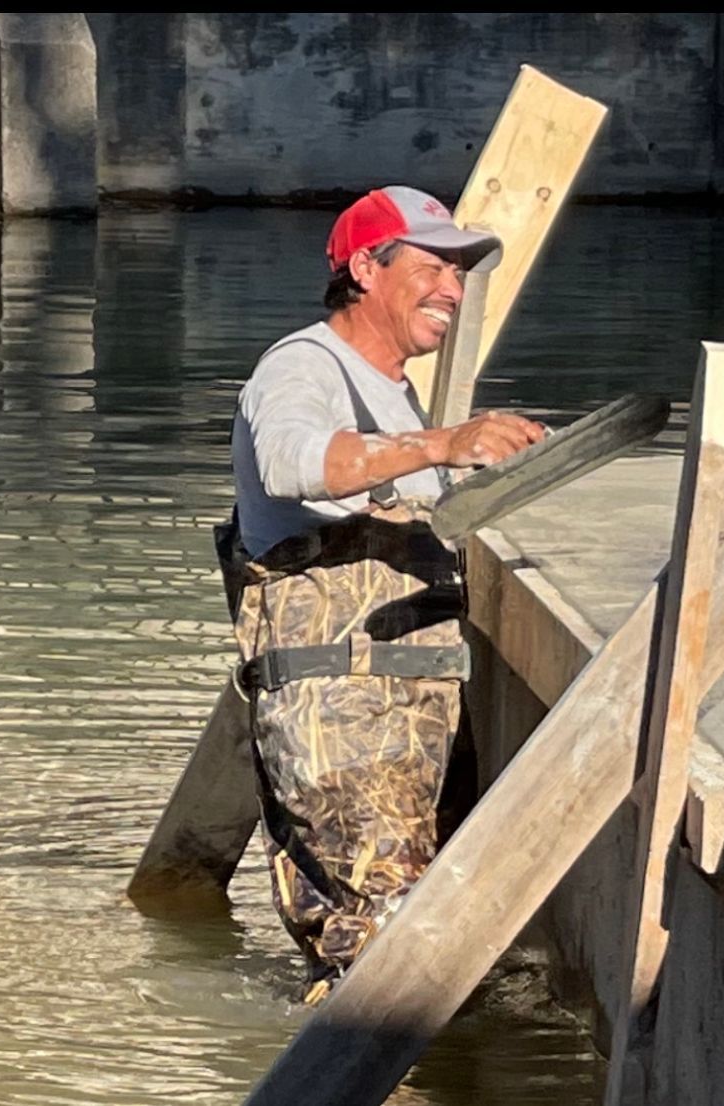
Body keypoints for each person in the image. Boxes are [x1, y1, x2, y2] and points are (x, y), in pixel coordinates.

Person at [226, 186, 543, 1001]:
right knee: (376, 970)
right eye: (433, 265)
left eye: (461, 272)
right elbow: (292, 463)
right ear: (365, 267)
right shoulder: (303, 365)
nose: (453, 288)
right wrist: (443, 442)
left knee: (419, 953)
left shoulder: (391, 392)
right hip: (341, 726)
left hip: (405, 724)